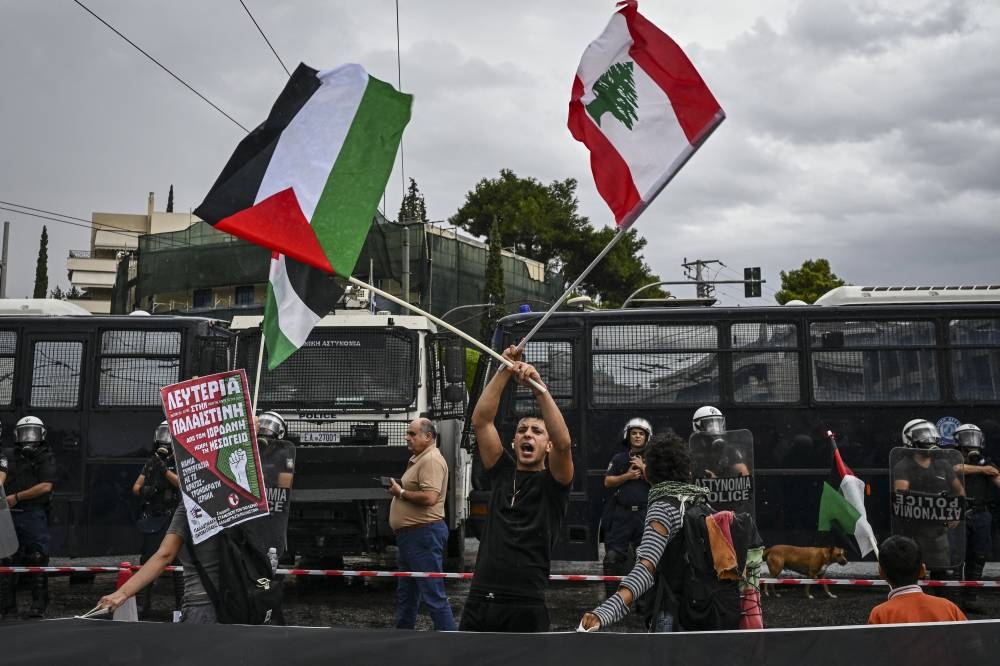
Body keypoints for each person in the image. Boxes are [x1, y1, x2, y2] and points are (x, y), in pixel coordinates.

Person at [459, 346, 573, 632]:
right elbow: (481, 422)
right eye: (522, 430)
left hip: (525, 601)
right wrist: (504, 369)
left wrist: (539, 388)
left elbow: (564, 444)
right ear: (513, 442)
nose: (527, 435)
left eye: (537, 431)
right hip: (481, 595)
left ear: (546, 445)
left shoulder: (554, 485)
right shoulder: (502, 472)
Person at [580, 432, 705, 632]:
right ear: (688, 470)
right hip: (707, 611)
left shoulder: (663, 509)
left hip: (672, 612)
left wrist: (603, 613)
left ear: (649, 472)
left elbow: (644, 571)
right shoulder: (701, 502)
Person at [386, 417, 456, 631]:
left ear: (428, 436)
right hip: (412, 537)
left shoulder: (431, 461)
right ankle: (402, 639)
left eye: (412, 434)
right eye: (408, 433)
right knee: (407, 596)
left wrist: (401, 492)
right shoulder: (421, 458)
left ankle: (453, 643)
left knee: (433, 594)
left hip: (422, 535)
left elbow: (430, 498)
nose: (407, 437)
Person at [893, 419, 965, 578]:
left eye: (931, 435)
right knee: (915, 571)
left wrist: (957, 512)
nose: (929, 440)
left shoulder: (942, 464)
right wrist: (935, 500)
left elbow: (960, 491)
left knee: (942, 571)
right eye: (923, 436)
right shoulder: (903, 466)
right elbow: (901, 495)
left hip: (939, 528)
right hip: (914, 528)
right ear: (909, 440)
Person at [0, 416, 57, 619]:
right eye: (25, 433)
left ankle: (39, 604)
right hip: (8, 514)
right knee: (6, 559)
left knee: (37, 557)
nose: (28, 438)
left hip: (32, 513)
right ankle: (7, 607)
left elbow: (46, 486)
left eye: (33, 433)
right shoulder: (7, 455)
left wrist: (16, 497)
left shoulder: (45, 456)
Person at [242, 411, 296, 624]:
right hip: (250, 527)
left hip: (271, 527)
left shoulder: (284, 456)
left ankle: (269, 615)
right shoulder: (249, 454)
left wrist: (265, 471)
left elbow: (283, 484)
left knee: (267, 579)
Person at [131, 420, 182, 619]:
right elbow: (136, 487)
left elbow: (181, 483)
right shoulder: (151, 461)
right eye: (162, 434)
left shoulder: (179, 460)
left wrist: (165, 471)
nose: (164, 440)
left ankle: (180, 609)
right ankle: (143, 606)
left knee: (178, 564)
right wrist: (147, 490)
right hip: (153, 517)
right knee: (147, 561)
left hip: (172, 518)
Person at [602, 417, 652, 597]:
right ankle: (612, 602)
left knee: (646, 560)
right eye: (634, 433)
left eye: (641, 434)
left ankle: (645, 604)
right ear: (628, 436)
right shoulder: (619, 458)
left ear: (647, 437)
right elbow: (607, 482)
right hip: (622, 515)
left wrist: (643, 468)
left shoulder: (653, 459)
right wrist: (628, 476)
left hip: (645, 515)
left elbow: (660, 482)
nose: (637, 437)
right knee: (612, 559)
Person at [952, 423, 1000, 610]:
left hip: (981, 514)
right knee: (956, 558)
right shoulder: (951, 457)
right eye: (966, 437)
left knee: (978, 557)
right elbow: (954, 468)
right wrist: (983, 470)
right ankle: (953, 599)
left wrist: (987, 469)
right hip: (958, 513)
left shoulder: (985, 462)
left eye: (974, 437)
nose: (971, 442)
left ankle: (970, 598)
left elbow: (996, 477)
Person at [868, 535, 966, 624]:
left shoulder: (879, 614)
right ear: (922, 570)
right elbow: (972, 641)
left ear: (881, 573)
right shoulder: (949, 608)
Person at [690, 406, 749, 477]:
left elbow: (744, 476)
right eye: (710, 425)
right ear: (697, 426)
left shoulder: (730, 451)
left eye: (718, 424)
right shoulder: (692, 452)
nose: (715, 429)